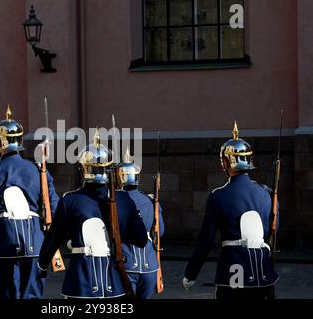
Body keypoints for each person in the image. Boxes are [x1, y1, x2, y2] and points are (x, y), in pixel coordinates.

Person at [38, 130, 148, 298]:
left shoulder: (70, 200)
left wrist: (43, 264)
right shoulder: (124, 199)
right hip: (114, 282)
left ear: (83, 169)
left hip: (81, 281)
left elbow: (54, 238)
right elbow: (140, 240)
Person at [183, 122, 278, 299]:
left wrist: (191, 273)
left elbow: (206, 240)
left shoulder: (218, 196)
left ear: (226, 162)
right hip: (263, 273)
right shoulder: (266, 193)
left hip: (233, 272)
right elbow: (272, 230)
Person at [0, 105, 60, 299]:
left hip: (4, 242)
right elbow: (54, 209)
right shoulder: (38, 171)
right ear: (20, 140)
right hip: (35, 242)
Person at [116, 148, 164, 299]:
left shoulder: (117, 202)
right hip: (150, 266)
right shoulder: (150, 200)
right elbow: (159, 231)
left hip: (127, 264)